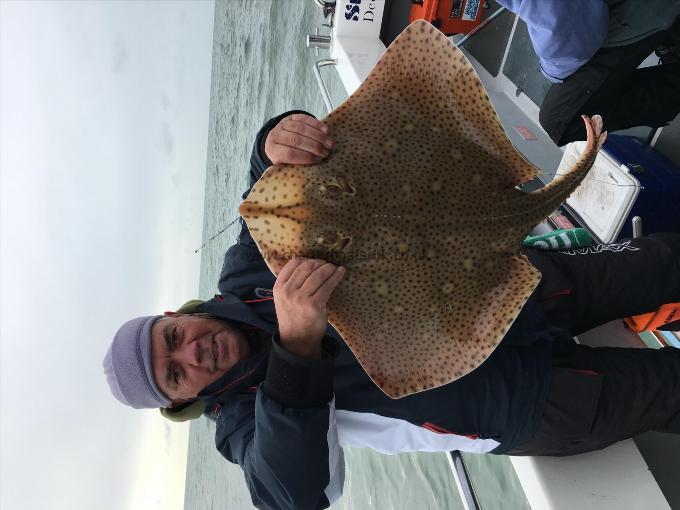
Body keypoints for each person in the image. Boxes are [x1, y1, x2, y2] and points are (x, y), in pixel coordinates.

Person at [104, 111, 680, 510]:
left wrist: (273, 142)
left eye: (173, 336)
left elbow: (275, 184)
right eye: (175, 371)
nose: (192, 351)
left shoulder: (247, 272)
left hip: (522, 288)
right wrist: (297, 353)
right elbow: (297, 497)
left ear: (176, 314)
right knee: (670, 390)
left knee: (664, 260)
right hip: (523, 401)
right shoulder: (240, 425)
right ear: (183, 401)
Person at [496, 0, 680, 145]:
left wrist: (551, 70)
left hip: (642, 9)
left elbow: (571, 35)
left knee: (558, 122)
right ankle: (669, 39)